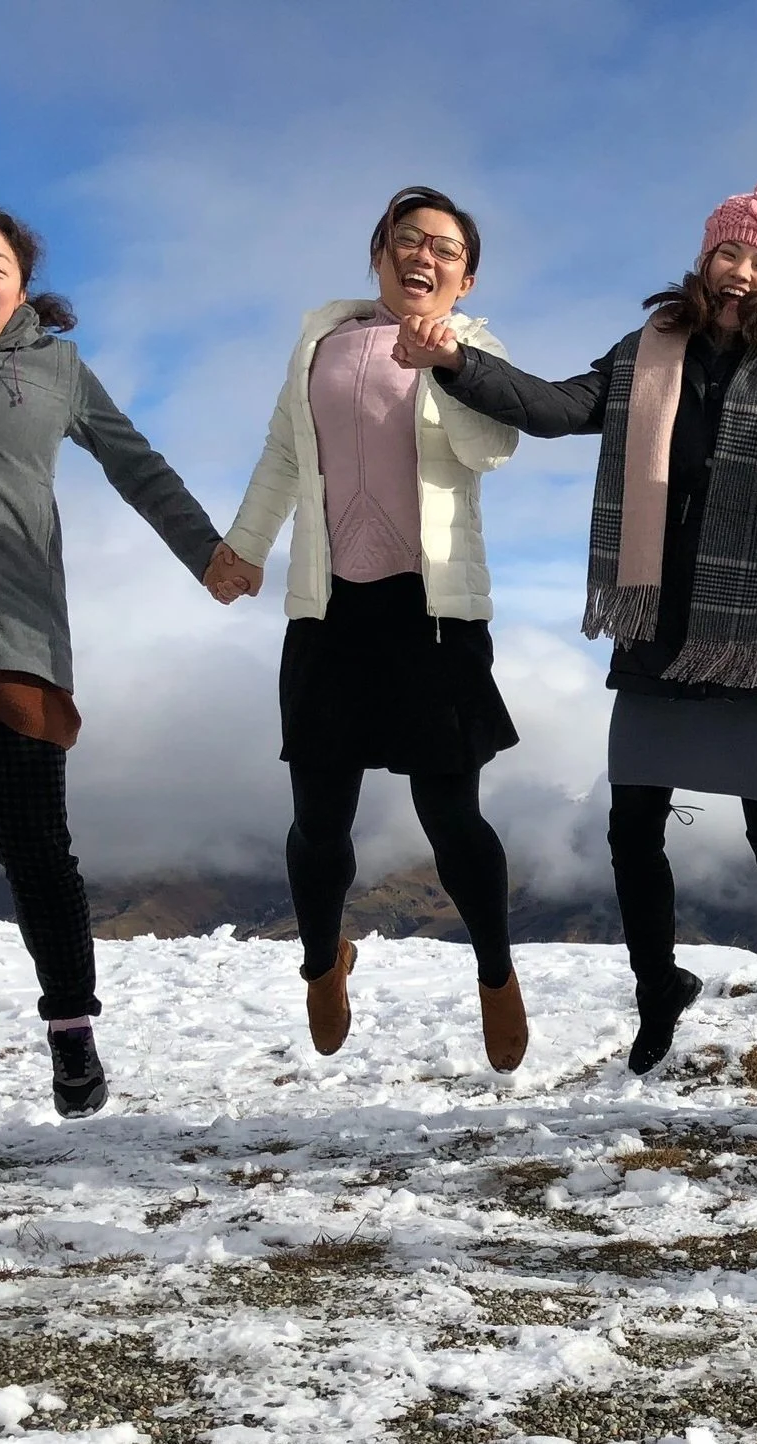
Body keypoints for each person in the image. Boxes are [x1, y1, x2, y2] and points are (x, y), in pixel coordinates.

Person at [393, 176, 757, 1075]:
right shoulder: (644, 352)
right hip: (656, 619)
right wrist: (456, 365)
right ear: (703, 260)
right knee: (632, 824)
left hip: (751, 628)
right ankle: (655, 990)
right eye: (728, 253)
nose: (742, 273)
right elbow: (556, 409)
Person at [212, 187, 528, 1070]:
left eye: (445, 248)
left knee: (450, 814)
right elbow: (283, 452)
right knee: (319, 817)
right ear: (379, 252)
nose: (422, 254)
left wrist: (450, 364)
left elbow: (490, 449)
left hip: (433, 616)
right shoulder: (321, 341)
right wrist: (241, 549)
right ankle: (323, 961)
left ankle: (496, 974)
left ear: (465, 278)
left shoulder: (476, 348)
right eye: (405, 238)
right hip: (330, 609)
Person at [0, 197, 225, 1118]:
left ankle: (71, 1035)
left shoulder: (55, 369)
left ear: (20, 287)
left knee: (35, 850)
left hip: (17, 638)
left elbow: (137, 464)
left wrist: (210, 553)